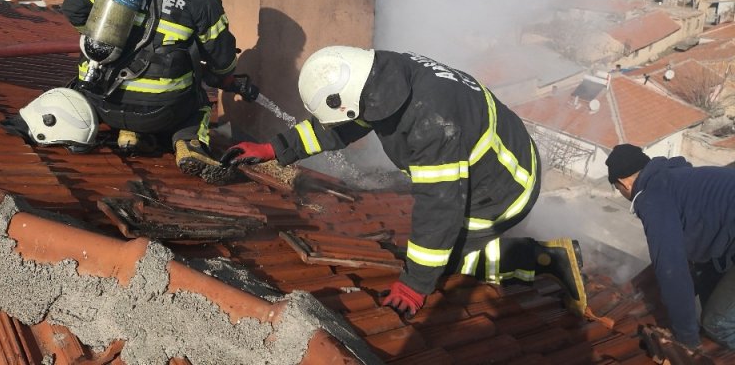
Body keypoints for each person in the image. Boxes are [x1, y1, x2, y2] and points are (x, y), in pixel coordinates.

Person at [221, 46, 586, 318]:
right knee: (432, 251)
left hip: (503, 189)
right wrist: (275, 147)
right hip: (499, 159)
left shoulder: (432, 124)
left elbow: (439, 210)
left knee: (445, 260)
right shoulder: (380, 75)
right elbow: (343, 123)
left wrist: (414, 285)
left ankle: (546, 259)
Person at [62, 0, 249, 183]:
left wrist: (106, 42)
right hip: (160, 112)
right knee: (198, 100)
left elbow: (72, 10)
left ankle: (130, 134)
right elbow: (222, 58)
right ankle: (190, 142)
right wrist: (226, 72)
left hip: (103, 102)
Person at [606, 143, 735, 350]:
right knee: (710, 291)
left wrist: (687, 340)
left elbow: (672, 270)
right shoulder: (674, 177)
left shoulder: (652, 198)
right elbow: (695, 256)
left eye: (616, 188)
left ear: (624, 183)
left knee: (717, 323)